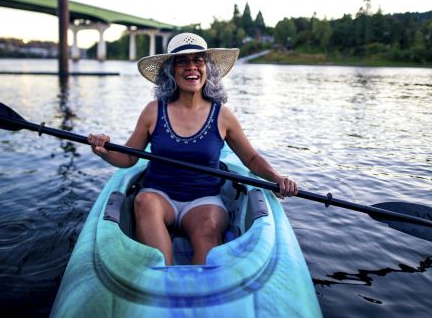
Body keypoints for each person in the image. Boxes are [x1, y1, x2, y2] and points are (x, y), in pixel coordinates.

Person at [88, 32, 298, 266]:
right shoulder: (153, 111)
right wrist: (104, 151)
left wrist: (277, 178)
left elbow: (250, 158)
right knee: (143, 202)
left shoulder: (223, 115)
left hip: (204, 200)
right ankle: (160, 277)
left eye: (198, 60)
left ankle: (202, 284)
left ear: (208, 68)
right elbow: (128, 158)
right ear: (171, 70)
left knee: (208, 228)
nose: (192, 67)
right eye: (183, 61)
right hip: (159, 196)